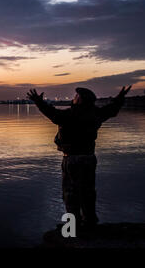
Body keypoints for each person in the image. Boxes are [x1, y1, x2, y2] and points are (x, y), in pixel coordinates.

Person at [27, 86, 132, 228]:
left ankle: (71, 229)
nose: (73, 98)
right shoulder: (96, 113)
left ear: (80, 100)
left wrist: (38, 101)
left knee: (70, 194)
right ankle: (89, 223)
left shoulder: (70, 115)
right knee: (88, 192)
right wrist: (120, 98)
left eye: (76, 97)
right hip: (89, 158)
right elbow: (112, 109)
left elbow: (51, 113)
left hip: (72, 159)